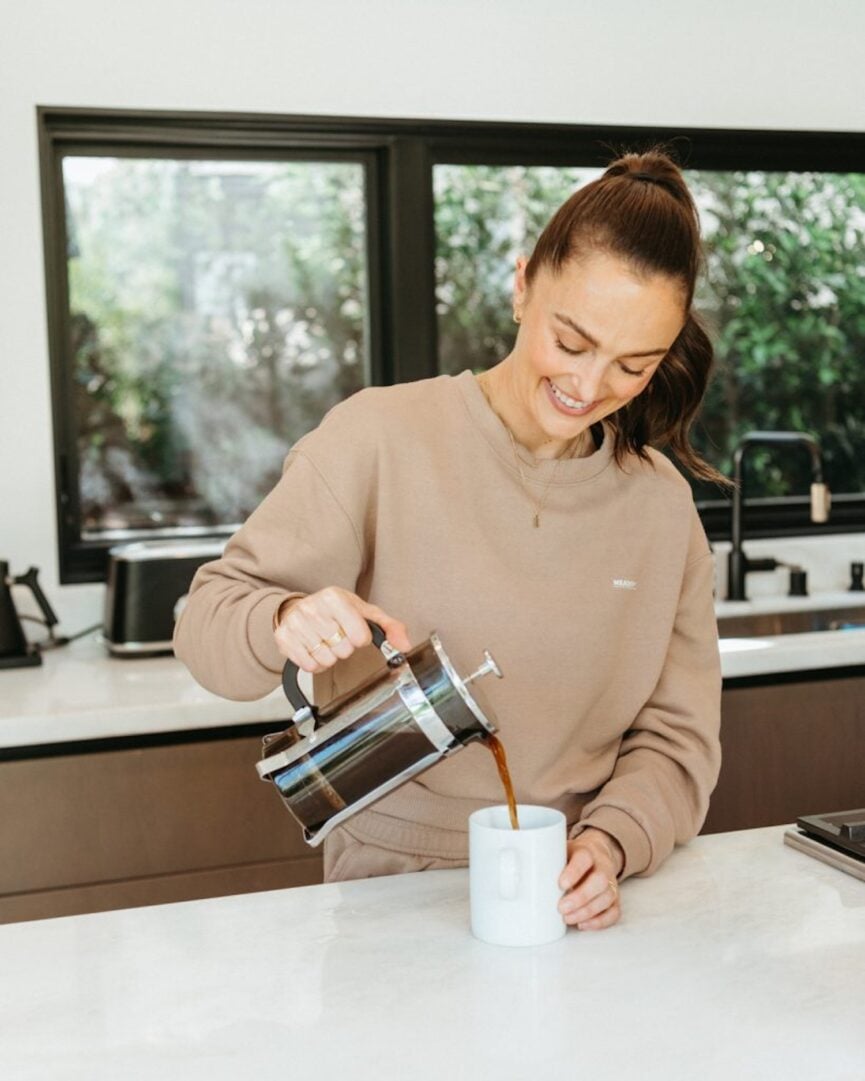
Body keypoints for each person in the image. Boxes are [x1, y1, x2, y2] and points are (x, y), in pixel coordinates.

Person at [174, 146, 724, 933]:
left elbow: (677, 739)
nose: (590, 386)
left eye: (632, 365)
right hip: (388, 890)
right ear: (522, 284)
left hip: (566, 892)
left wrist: (608, 844)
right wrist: (282, 617)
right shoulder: (378, 438)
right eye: (571, 343)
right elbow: (205, 627)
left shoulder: (661, 510)